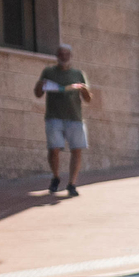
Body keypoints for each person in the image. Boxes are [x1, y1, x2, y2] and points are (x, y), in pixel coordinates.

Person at [33, 44, 97, 197]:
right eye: (61, 54)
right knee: (54, 149)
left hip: (74, 118)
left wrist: (84, 89)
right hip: (54, 117)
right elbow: (38, 94)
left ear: (71, 56)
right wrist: (40, 85)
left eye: (66, 54)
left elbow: (88, 99)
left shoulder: (78, 74)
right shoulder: (48, 72)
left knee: (76, 149)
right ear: (57, 56)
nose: (64, 57)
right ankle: (56, 176)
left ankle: (72, 183)